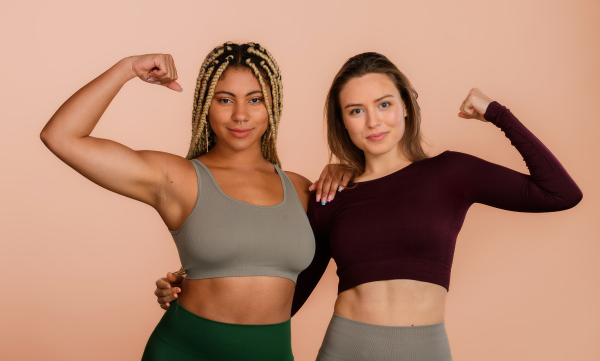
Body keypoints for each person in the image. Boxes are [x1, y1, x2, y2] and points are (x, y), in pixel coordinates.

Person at [156, 52, 582, 360]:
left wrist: (496, 113)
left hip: (426, 350)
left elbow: (560, 193)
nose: (374, 122)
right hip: (345, 348)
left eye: (384, 105)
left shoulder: (452, 173)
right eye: (356, 111)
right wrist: (196, 287)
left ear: (406, 106)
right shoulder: (331, 194)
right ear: (343, 121)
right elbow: (286, 291)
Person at [40, 42, 348, 361]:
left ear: (274, 105)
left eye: (255, 99)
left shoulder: (302, 190)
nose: (240, 115)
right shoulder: (178, 178)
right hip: (184, 351)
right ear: (205, 105)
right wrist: (128, 68)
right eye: (225, 100)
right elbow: (61, 136)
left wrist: (349, 169)